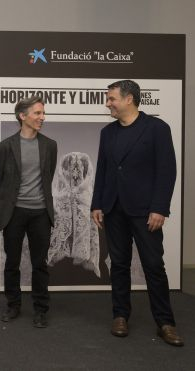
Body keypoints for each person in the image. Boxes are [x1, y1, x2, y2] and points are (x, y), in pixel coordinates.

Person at [91, 80, 183, 346]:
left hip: (146, 211)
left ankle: (165, 322)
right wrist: (97, 204)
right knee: (118, 265)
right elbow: (104, 170)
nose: (108, 103)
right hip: (113, 209)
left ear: (129, 99)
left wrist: (159, 208)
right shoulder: (107, 132)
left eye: (111, 99)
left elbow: (167, 171)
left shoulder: (157, 129)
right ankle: (120, 315)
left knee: (154, 266)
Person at [0, 95, 57, 328]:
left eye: (42, 113)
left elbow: (48, 175)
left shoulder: (50, 145)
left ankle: (40, 309)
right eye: (37, 113)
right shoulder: (5, 147)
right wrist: (13, 200)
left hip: (41, 213)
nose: (42, 117)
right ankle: (13, 305)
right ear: (22, 116)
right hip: (14, 213)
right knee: (13, 262)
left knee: (40, 264)